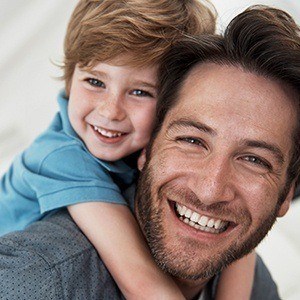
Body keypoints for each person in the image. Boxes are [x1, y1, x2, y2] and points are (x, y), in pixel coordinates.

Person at [1, 5, 298, 299]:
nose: (110, 110)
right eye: (95, 82)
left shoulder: (131, 147)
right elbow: (146, 286)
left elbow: (243, 246)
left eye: (140, 92)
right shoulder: (61, 160)